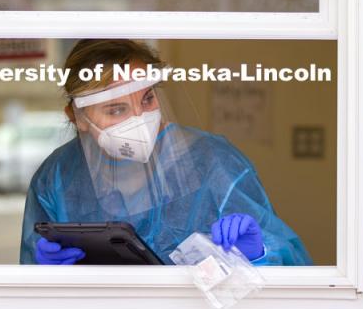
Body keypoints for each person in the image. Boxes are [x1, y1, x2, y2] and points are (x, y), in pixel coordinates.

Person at [20, 39, 312, 266]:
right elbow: (26, 296)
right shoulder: (57, 178)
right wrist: (46, 274)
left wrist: (261, 252)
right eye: (116, 109)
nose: (140, 119)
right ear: (78, 118)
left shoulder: (213, 163)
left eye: (147, 99)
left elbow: (295, 272)